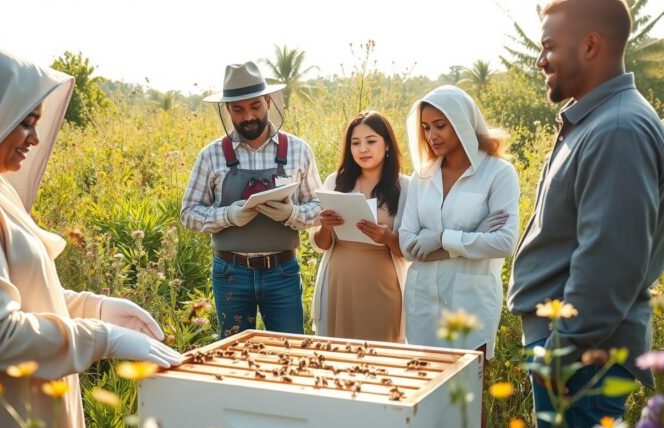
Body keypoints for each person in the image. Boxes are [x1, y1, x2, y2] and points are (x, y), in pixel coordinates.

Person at [0, 41, 183, 428]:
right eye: (25, 121)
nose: (34, 138)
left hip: (15, 399)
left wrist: (93, 309)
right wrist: (102, 338)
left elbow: (19, 292)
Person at [507, 0, 664, 428]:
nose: (540, 60)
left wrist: (561, 350)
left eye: (549, 47)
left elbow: (609, 261)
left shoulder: (617, 128)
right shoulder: (601, 121)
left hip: (581, 357)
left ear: (591, 45)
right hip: (575, 350)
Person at [180, 61, 322, 338]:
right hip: (230, 273)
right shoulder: (211, 155)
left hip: (282, 272)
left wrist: (291, 214)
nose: (248, 116)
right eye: (238, 109)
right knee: (234, 357)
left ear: (269, 101)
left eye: (255, 106)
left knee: (289, 352)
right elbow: (188, 212)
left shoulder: (298, 150)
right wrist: (227, 216)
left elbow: (319, 207)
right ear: (227, 110)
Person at [399, 85, 520, 359]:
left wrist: (440, 239)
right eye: (426, 127)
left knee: (467, 392)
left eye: (440, 125)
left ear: (462, 122)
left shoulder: (498, 173)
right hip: (422, 305)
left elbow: (504, 242)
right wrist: (472, 238)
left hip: (471, 304)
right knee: (423, 389)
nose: (432, 135)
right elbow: (407, 246)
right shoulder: (422, 176)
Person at [309, 111, 409, 342]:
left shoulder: (405, 186)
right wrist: (326, 226)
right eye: (355, 143)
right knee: (338, 353)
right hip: (338, 281)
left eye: (371, 141)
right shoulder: (336, 181)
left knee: (382, 352)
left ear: (387, 146)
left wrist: (387, 237)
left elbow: (410, 248)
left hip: (383, 284)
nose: (363, 149)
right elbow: (322, 244)